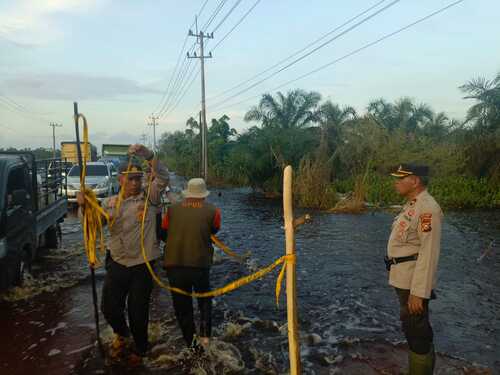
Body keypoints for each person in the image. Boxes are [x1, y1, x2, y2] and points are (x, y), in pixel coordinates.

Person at [77, 144, 169, 365]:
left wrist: (148, 154)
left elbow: (163, 176)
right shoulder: (108, 204)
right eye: (131, 179)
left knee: (138, 312)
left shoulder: (150, 198)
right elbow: (92, 226)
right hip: (117, 262)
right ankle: (123, 334)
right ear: (120, 180)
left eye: (138, 178)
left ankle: (141, 349)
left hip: (143, 265)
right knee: (109, 308)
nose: (136, 183)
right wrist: (83, 207)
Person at [385, 164, 443, 374]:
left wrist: (419, 292)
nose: (396, 182)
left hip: (412, 282)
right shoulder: (413, 204)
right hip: (403, 277)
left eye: (401, 178)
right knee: (413, 328)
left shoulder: (427, 209)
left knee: (416, 330)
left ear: (415, 181)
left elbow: (428, 253)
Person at [161, 178, 221, 348]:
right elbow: (214, 229)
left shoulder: (172, 210)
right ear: (204, 195)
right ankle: (205, 337)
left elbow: (163, 232)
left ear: (187, 193)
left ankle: (191, 343)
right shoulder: (213, 211)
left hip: (174, 265)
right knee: (204, 300)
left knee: (182, 306)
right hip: (199, 265)